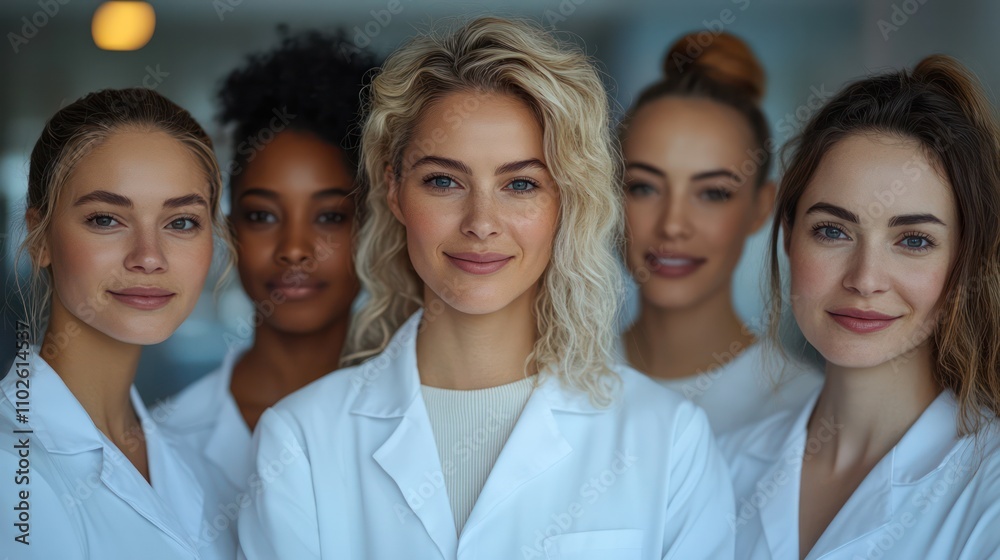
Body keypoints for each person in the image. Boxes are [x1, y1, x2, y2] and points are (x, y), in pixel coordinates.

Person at [238, 16, 734, 559]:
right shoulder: (302, 440)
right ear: (394, 190)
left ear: (566, 202)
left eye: (520, 184)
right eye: (444, 181)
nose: (481, 222)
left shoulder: (666, 439)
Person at [719, 55, 1000, 559]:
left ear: (966, 260)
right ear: (788, 238)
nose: (865, 279)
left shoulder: (990, 489)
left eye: (913, 240)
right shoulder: (720, 465)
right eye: (832, 231)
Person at [153, 31, 376, 542]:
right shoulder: (161, 441)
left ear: (371, 229)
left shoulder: (422, 423)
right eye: (262, 215)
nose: (294, 249)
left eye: (329, 216)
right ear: (230, 230)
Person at [0, 88, 233, 559]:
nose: (148, 256)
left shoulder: (201, 469)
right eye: (106, 219)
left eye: (182, 222)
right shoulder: (11, 472)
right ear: (40, 238)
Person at [618, 32, 821, 434]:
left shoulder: (805, 411)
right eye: (643, 187)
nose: (673, 224)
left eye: (712, 193)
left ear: (761, 206)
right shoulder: (550, 378)